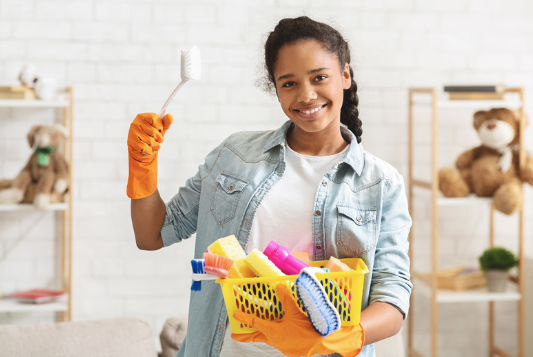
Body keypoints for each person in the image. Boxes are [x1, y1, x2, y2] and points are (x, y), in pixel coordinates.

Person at [127, 16, 412, 357]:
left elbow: (392, 294)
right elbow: (152, 235)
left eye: (319, 77)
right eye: (289, 83)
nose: (306, 95)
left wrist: (348, 335)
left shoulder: (381, 184)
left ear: (345, 76)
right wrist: (142, 169)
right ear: (275, 89)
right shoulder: (234, 156)